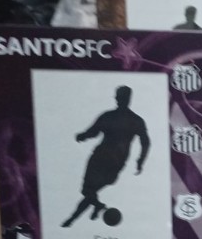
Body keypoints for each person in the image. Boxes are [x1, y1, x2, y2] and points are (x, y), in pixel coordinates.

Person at [62, 86, 150, 227]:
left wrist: (83, 136)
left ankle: (95, 207)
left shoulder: (111, 116)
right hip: (116, 161)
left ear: (122, 98)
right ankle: (71, 220)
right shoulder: (135, 120)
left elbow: (93, 132)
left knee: (87, 190)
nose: (117, 99)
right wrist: (140, 161)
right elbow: (145, 142)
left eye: (119, 96)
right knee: (90, 191)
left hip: (101, 158)